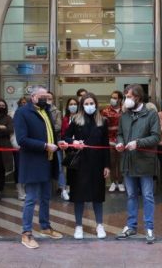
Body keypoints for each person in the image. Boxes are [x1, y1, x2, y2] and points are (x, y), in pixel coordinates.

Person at [14, 86, 63, 249]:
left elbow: (49, 133)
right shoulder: (22, 112)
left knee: (45, 197)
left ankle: (45, 227)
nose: (46, 99)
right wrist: (44, 146)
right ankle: (26, 233)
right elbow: (22, 139)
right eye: (42, 96)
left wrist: (57, 143)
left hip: (48, 161)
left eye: (47, 97)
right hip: (33, 162)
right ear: (33, 97)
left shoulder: (46, 111)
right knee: (31, 198)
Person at [58, 93, 110, 239]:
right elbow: (65, 138)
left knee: (97, 196)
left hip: (97, 163)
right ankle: (78, 226)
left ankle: (99, 225)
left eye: (91, 103)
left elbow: (105, 145)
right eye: (86, 104)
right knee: (78, 196)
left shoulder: (103, 121)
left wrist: (107, 165)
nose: (89, 106)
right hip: (80, 164)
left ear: (96, 104)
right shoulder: (75, 120)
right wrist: (73, 143)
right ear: (82, 106)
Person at [115, 84, 161, 244]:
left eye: (129, 96)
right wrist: (120, 143)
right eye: (125, 96)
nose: (126, 99)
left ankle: (149, 228)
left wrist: (138, 143)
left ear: (138, 97)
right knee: (131, 195)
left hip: (145, 162)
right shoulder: (124, 116)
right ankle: (131, 226)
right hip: (128, 161)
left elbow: (156, 137)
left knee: (147, 196)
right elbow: (119, 134)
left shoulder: (151, 114)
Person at [101, 90, 125, 192]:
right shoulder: (105, 111)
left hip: (122, 141)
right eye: (112, 97)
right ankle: (113, 182)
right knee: (112, 162)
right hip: (110, 141)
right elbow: (102, 127)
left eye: (115, 98)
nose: (113, 99)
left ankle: (120, 182)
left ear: (120, 99)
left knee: (121, 161)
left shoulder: (125, 111)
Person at [48, 91, 69, 201]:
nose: (48, 100)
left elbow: (58, 126)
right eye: (46, 98)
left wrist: (45, 128)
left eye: (50, 98)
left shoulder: (57, 112)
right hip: (43, 144)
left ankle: (63, 189)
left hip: (56, 142)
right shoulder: (39, 111)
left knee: (60, 167)